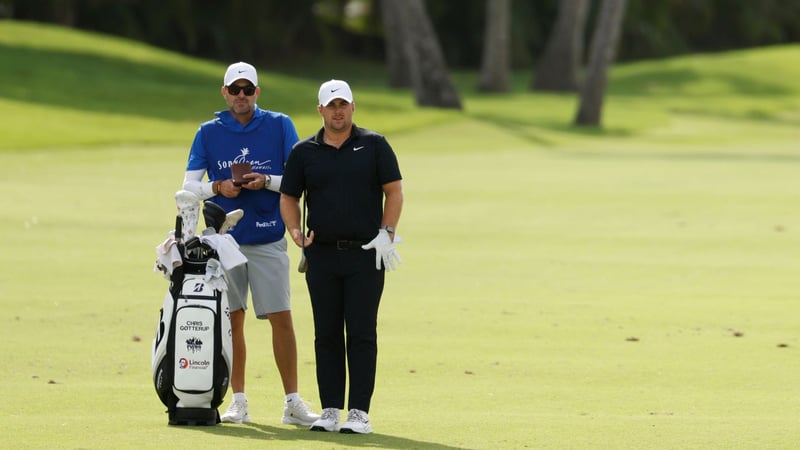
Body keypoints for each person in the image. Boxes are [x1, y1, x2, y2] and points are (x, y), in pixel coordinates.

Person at [181, 61, 319, 426]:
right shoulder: (208, 132)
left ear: (257, 93)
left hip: (268, 233)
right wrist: (218, 187)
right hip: (224, 240)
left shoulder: (279, 125)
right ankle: (238, 400)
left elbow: (298, 176)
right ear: (224, 92)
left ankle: (292, 402)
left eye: (248, 89)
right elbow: (188, 186)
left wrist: (267, 182)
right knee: (232, 321)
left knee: (281, 317)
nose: (241, 96)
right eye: (234, 89)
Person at [279, 79, 403, 434]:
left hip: (366, 254)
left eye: (343, 104)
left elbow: (393, 191)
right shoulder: (304, 151)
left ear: (352, 107)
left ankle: (359, 413)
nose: (338, 111)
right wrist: (295, 232)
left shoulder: (374, 145)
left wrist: (387, 233)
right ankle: (331, 408)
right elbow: (289, 197)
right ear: (320, 110)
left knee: (362, 333)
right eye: (331, 105)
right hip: (321, 255)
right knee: (327, 334)